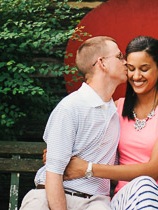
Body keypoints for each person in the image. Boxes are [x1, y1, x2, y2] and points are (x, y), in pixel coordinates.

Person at [63, 36, 158, 210]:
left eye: (144, 69)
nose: (136, 76)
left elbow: (153, 171)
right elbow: (90, 146)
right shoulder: (116, 108)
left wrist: (87, 168)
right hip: (125, 201)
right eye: (130, 68)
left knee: (145, 184)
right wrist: (60, 154)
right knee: (142, 187)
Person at [19, 36, 127, 210]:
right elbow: (53, 174)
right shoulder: (71, 108)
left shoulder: (115, 113)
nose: (126, 62)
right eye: (120, 56)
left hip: (95, 202)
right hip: (49, 197)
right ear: (102, 63)